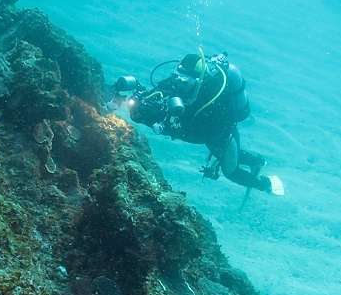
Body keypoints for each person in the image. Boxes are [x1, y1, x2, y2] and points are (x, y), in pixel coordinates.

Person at [112, 50, 282, 194]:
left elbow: (202, 135)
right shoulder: (176, 83)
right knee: (220, 154)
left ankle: (266, 185)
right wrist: (143, 107)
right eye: (176, 77)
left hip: (221, 134)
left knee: (230, 170)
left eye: (184, 81)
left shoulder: (213, 95)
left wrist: (172, 128)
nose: (178, 84)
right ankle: (256, 161)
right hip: (200, 130)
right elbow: (158, 94)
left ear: (199, 81)